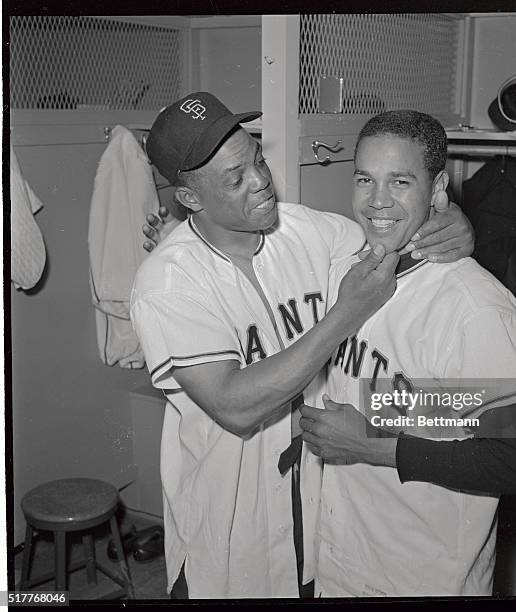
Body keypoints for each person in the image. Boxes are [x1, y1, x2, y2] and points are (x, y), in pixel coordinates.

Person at [130, 92, 474, 599]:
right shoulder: (169, 281)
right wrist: (343, 316)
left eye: (258, 159)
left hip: (318, 512)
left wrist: (453, 225)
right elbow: (235, 404)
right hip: (229, 526)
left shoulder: (307, 230)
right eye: (236, 178)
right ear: (191, 199)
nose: (262, 181)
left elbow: (393, 228)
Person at [299, 109, 516, 597]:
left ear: (437, 191)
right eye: (365, 179)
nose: (377, 201)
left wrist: (371, 443)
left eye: (401, 182)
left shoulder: (475, 308)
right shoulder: (345, 272)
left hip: (426, 580)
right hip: (343, 565)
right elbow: (425, 404)